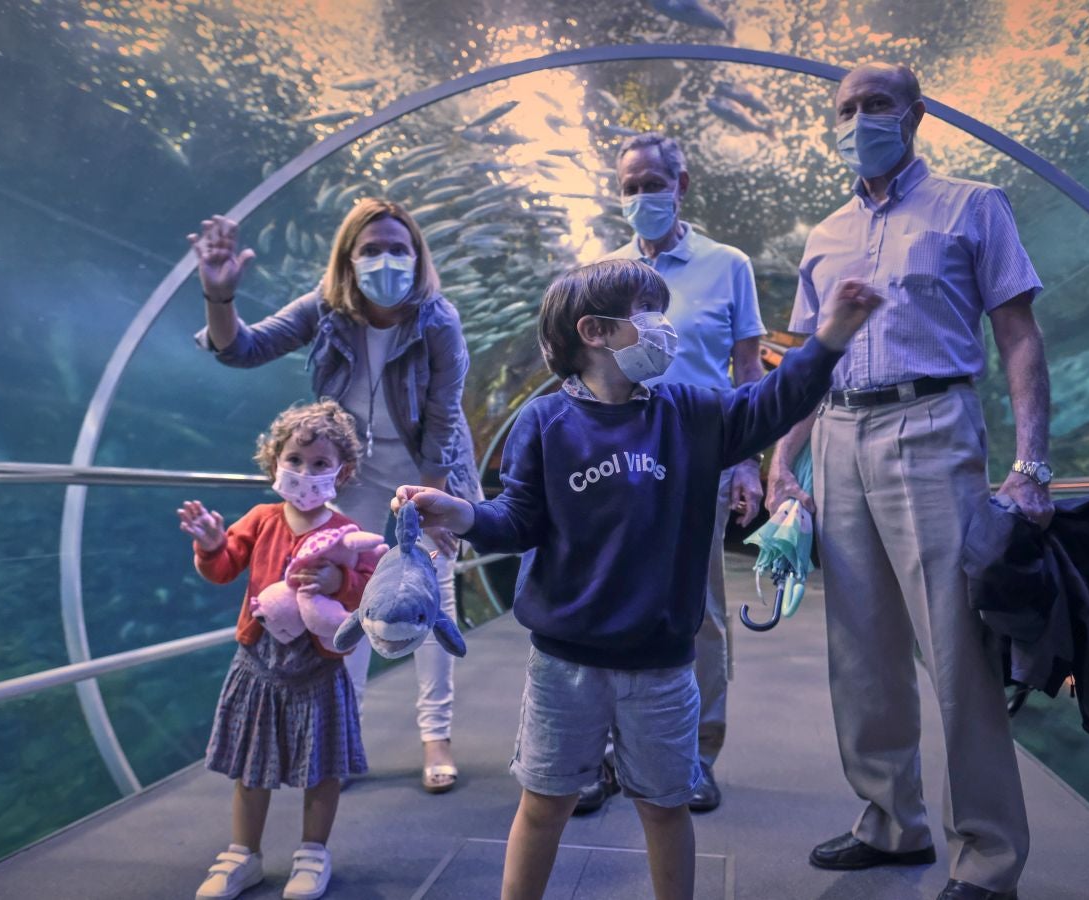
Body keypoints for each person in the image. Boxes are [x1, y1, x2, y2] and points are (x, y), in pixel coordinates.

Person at [391, 258, 881, 900]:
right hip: (564, 664)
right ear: (594, 331)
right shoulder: (543, 422)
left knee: (665, 806)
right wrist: (464, 515)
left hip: (662, 665)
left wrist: (830, 338)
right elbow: (518, 520)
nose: (663, 327)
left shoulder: (690, 413)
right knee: (544, 803)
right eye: (648, 313)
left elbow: (772, 403)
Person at [767, 62, 1052, 900]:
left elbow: (1019, 335)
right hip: (838, 432)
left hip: (932, 425)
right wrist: (782, 460)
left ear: (915, 115)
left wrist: (1031, 466)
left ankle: (989, 857)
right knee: (859, 646)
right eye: (845, 109)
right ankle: (891, 822)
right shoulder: (823, 234)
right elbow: (807, 360)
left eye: (876, 105)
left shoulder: (974, 205)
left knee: (956, 644)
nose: (858, 121)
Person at [188, 199, 481, 794]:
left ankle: (436, 737)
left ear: (418, 256)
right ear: (348, 259)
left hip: (425, 469)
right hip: (352, 476)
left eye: (398, 248)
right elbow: (242, 348)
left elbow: (444, 415)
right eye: (370, 249)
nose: (385, 260)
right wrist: (220, 296)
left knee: (430, 595)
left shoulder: (437, 320)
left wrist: (435, 502)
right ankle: (344, 739)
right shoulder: (325, 310)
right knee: (345, 596)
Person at [581, 131, 766, 814]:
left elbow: (748, 370)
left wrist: (747, 459)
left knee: (699, 612)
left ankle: (695, 755)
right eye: (629, 187)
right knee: (609, 600)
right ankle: (605, 755)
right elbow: (587, 367)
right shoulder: (603, 271)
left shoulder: (728, 265)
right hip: (616, 459)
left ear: (681, 186)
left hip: (698, 457)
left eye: (653, 183)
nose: (641, 196)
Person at [178, 400, 387, 900]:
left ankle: (313, 852)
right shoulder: (261, 518)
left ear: (343, 471)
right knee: (252, 766)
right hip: (259, 664)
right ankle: (243, 854)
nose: (305, 472)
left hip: (319, 667)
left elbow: (366, 589)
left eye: (319, 463)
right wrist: (211, 543)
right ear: (275, 460)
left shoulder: (346, 532)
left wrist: (339, 581)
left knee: (323, 767)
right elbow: (223, 568)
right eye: (294, 459)